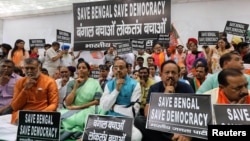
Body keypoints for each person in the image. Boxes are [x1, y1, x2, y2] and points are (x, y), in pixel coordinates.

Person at [134, 60, 196, 141]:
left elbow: (194, 115)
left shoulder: (186, 88)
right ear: (161, 75)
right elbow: (147, 114)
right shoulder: (154, 88)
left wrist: (184, 132)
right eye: (167, 72)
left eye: (173, 73)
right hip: (161, 125)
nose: (170, 75)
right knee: (138, 121)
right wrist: (164, 96)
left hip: (181, 125)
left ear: (179, 75)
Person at [60, 61, 106, 140]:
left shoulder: (94, 82)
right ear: (77, 71)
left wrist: (80, 107)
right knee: (59, 116)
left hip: (88, 108)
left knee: (83, 118)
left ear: (88, 71)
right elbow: (68, 103)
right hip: (72, 109)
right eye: (79, 68)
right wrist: (75, 87)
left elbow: (97, 101)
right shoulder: (71, 83)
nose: (81, 70)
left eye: (84, 68)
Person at [99, 59, 142, 141]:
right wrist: (116, 90)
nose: (118, 70)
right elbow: (104, 107)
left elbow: (133, 111)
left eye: (121, 67)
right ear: (113, 70)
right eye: (115, 68)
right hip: (110, 120)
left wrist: (113, 107)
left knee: (137, 136)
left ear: (127, 69)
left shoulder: (135, 85)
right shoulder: (109, 84)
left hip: (127, 121)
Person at [10, 58, 59, 124]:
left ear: (39, 68)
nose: (29, 71)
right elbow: (15, 107)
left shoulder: (49, 81)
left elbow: (54, 104)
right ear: (23, 69)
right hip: (23, 114)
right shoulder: (20, 82)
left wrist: (40, 115)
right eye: (27, 68)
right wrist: (25, 89)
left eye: (32, 68)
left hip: (43, 113)